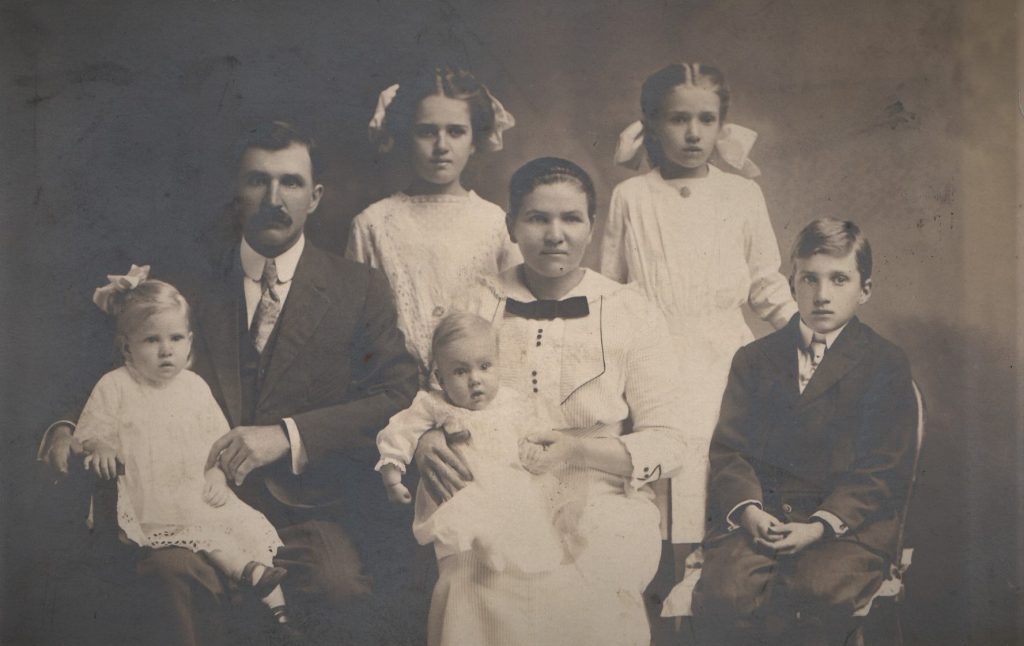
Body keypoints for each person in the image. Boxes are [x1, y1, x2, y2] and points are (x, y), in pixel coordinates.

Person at [39, 120, 421, 645]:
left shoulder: (357, 287)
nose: (273, 199)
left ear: (315, 196)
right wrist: (66, 426)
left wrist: (287, 435)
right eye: (257, 180)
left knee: (339, 589)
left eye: (290, 182)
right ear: (236, 191)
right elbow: (111, 363)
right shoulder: (185, 284)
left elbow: (396, 392)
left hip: (304, 507)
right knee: (168, 577)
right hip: (183, 503)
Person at [417, 157, 688, 646]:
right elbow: (435, 398)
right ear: (511, 226)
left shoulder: (630, 311)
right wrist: (427, 438)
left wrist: (577, 450)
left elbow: (669, 442)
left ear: (592, 226)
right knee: (474, 582)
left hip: (601, 494)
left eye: (571, 219)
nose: (555, 234)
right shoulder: (478, 302)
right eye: (538, 218)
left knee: (584, 581)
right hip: (496, 489)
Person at [599, 63, 797, 568]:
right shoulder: (631, 197)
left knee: (725, 469)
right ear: (651, 122)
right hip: (652, 367)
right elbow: (609, 295)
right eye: (677, 119)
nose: (693, 133)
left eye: (706, 120)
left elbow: (765, 282)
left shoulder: (742, 195)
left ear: (721, 125)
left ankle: (716, 586)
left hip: (727, 362)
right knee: (661, 487)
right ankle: (666, 588)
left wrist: (811, 337)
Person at [690, 218, 917, 645]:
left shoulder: (885, 363)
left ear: (865, 289)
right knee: (726, 595)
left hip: (845, 526)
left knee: (815, 595)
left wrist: (818, 526)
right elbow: (730, 451)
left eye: (839, 279)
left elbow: (884, 468)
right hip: (765, 518)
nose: (822, 294)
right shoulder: (754, 359)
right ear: (792, 284)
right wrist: (751, 512)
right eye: (809, 278)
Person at [76, 269, 293, 631]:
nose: (166, 350)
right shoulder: (116, 386)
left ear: (190, 342)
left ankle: (279, 612)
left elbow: (217, 443)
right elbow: (92, 431)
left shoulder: (194, 386)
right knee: (210, 538)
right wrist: (100, 447)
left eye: (175, 338)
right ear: (126, 346)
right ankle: (247, 573)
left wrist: (217, 475)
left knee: (243, 530)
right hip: (151, 497)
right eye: (151, 340)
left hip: (193, 488)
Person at [346, 63, 521, 383]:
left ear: (474, 140)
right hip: (396, 392)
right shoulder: (372, 224)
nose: (442, 146)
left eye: (456, 131)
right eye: (427, 132)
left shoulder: (496, 223)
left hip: (479, 393)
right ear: (405, 136)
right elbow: (355, 328)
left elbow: (516, 323)